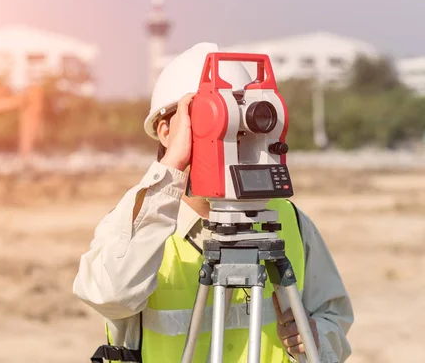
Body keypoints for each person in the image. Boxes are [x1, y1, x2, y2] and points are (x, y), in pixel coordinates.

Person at [73, 42, 353, 362]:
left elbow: (335, 320)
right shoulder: (138, 221)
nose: (229, 135)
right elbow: (111, 296)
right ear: (166, 131)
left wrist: (316, 339)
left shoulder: (289, 221)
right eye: (209, 117)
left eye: (240, 120)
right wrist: (172, 168)